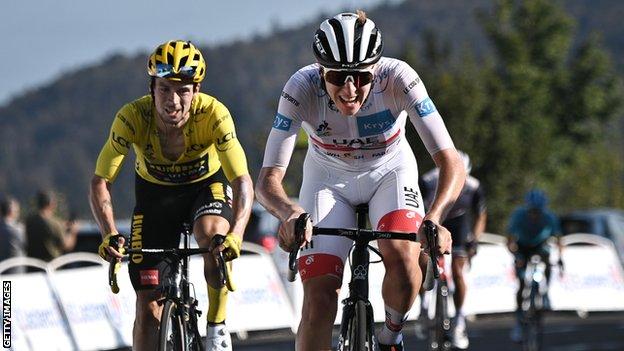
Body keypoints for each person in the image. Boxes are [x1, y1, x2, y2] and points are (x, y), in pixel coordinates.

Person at [255, 11, 465, 351]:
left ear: (376, 69)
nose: (350, 89)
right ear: (321, 71)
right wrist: (289, 212)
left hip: (390, 172)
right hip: (327, 180)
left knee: (402, 254)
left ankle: (391, 334)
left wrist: (435, 217)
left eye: (362, 76)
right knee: (320, 300)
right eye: (338, 76)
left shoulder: (399, 79)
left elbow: (450, 160)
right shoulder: (300, 88)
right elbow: (267, 178)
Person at [89, 40, 254, 351]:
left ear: (197, 90)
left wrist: (236, 235)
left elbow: (242, 180)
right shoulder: (132, 117)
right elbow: (101, 180)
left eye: (183, 90)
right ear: (152, 88)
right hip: (155, 198)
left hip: (205, 189)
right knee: (147, 307)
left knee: (213, 238)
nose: (173, 100)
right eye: (164, 88)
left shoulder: (214, 115)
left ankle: (217, 327)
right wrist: (109, 232)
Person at [419, 150, 487, 349]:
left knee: (458, 271)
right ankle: (423, 307)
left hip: (459, 224)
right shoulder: (428, 180)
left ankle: (459, 320)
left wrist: (474, 239)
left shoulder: (474, 186)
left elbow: (481, 216)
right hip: (432, 218)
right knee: (422, 264)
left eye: (463, 178)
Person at [507, 188, 563, 342]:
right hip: (522, 246)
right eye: (532, 212)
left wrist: (561, 258)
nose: (534, 215)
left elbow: (558, 239)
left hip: (540, 244)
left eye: (538, 212)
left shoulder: (549, 217)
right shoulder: (518, 215)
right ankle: (519, 321)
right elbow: (510, 240)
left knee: (548, 258)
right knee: (521, 282)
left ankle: (545, 294)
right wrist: (515, 255)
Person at [25, 190, 78, 261]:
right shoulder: (54, 223)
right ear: (51, 204)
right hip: (50, 266)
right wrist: (73, 232)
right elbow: (65, 245)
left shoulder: (29, 220)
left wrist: (62, 225)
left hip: (33, 266)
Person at [0, 195, 26, 273]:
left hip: (2, 272)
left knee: (6, 285)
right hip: (15, 272)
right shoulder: (18, 230)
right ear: (11, 211)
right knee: (8, 285)